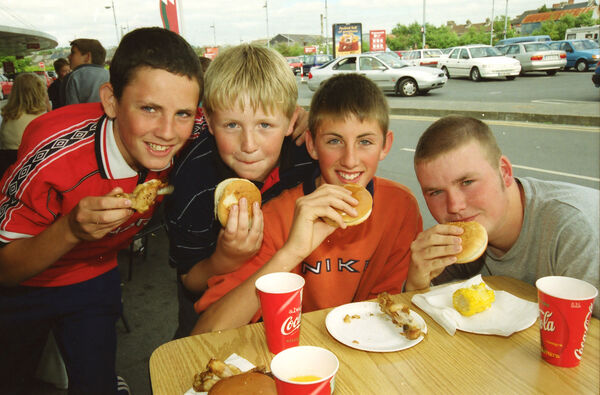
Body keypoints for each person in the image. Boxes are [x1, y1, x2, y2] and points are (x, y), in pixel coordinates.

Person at [0, 27, 203, 394]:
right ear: (110, 100)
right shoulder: (52, 153)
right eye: (149, 108)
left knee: (95, 382)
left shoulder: (192, 132)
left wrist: (294, 125)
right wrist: (69, 231)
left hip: (94, 275)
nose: (168, 132)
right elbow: (5, 270)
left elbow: (239, 126)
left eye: (183, 113)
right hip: (24, 283)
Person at [191, 73, 423, 334]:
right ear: (312, 145)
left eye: (365, 142)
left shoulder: (401, 207)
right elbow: (207, 333)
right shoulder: (276, 215)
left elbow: (394, 306)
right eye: (334, 141)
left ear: (385, 145)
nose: (349, 160)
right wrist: (292, 252)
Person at [165, 44, 317, 339]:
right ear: (208, 121)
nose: (249, 144)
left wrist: (322, 125)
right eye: (232, 125)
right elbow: (189, 280)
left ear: (291, 121)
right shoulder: (192, 184)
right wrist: (226, 258)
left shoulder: (307, 158)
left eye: (265, 124)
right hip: (211, 308)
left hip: (289, 296)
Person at [407, 115, 599, 317]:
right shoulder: (466, 236)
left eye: (467, 182)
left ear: (505, 172)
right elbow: (428, 322)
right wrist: (416, 284)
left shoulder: (573, 227)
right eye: (436, 192)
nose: (455, 206)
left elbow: (586, 338)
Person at [0, 73, 50, 177]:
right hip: (32, 171)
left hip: (8, 171)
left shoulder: (8, 117)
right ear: (39, 91)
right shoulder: (41, 117)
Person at [64, 38, 109, 105]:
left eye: (73, 53)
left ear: (87, 57)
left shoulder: (75, 76)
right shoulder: (109, 74)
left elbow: (72, 110)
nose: (68, 57)